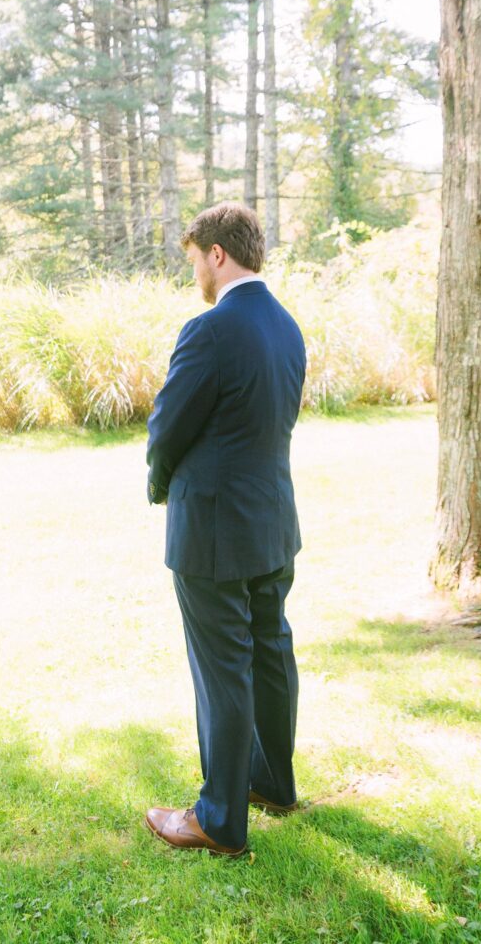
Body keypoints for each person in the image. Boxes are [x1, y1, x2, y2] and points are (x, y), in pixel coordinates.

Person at [142, 201, 308, 857]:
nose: (197, 276)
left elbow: (167, 428)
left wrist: (159, 485)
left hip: (214, 531)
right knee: (271, 652)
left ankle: (219, 818)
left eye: (196, 261)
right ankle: (273, 782)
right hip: (271, 523)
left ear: (218, 253)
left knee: (223, 669)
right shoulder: (288, 327)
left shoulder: (210, 329)